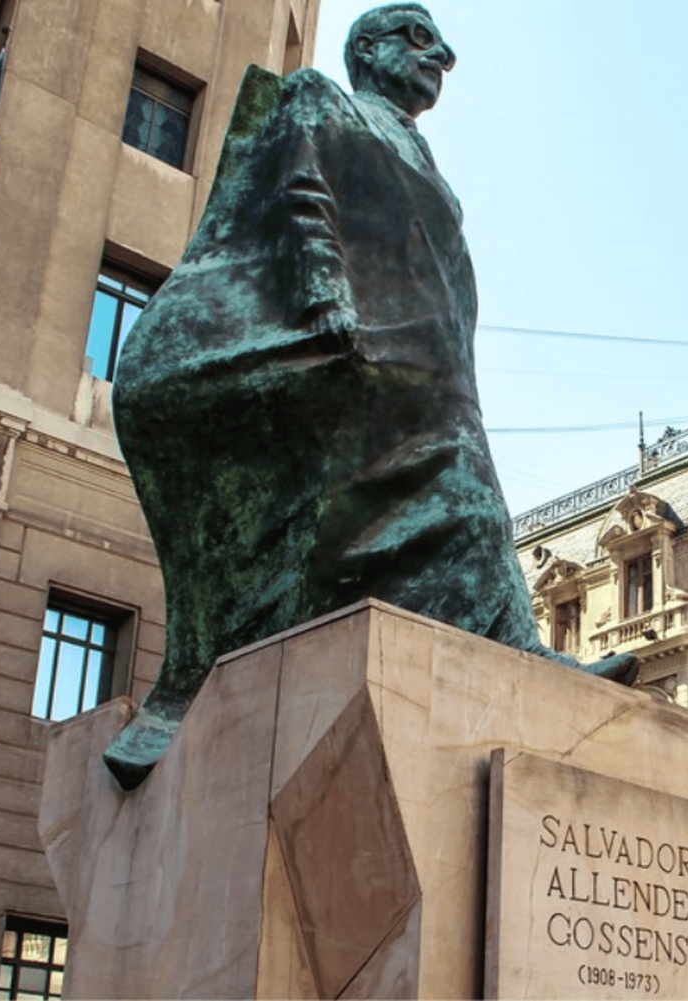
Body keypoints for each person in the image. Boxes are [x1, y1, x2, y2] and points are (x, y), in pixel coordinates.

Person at [103, 4, 633, 789]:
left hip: (425, 379)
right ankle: (194, 692)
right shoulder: (320, 98)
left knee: (467, 504)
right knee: (443, 497)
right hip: (341, 350)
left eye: (443, 49)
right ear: (369, 49)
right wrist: (324, 297)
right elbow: (299, 192)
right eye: (420, 40)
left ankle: (508, 640)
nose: (442, 59)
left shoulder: (432, 168)